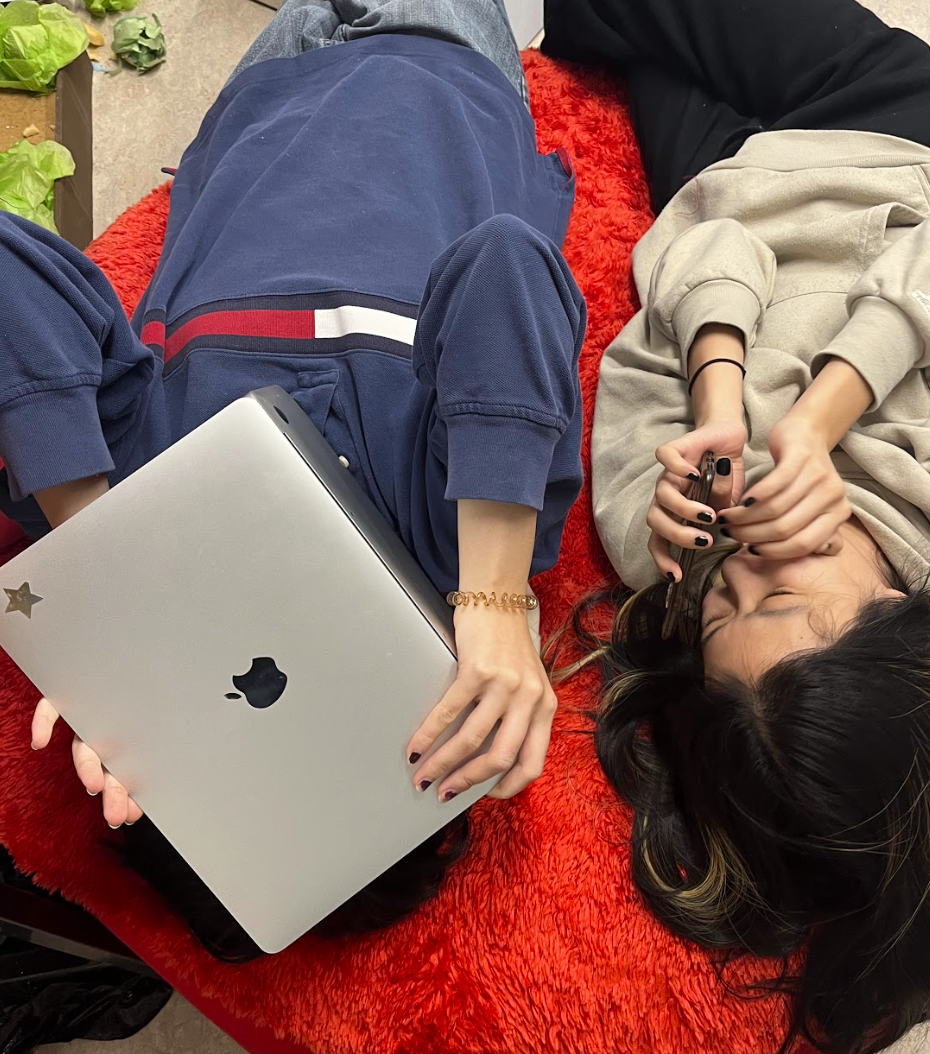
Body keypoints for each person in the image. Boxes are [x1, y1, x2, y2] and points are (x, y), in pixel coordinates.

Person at [4, 0, 585, 945]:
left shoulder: (147, 524)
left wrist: (99, 561)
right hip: (444, 70)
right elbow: (508, 268)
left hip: (263, 99)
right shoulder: (463, 530)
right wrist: (491, 603)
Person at [543, 0, 930, 1051]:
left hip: (715, 192)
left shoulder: (672, 553)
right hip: (890, 146)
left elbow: (708, 242)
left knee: (605, 38)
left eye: (720, 605)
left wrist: (717, 392)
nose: (740, 559)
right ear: (901, 621)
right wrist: (823, 420)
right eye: (783, 584)